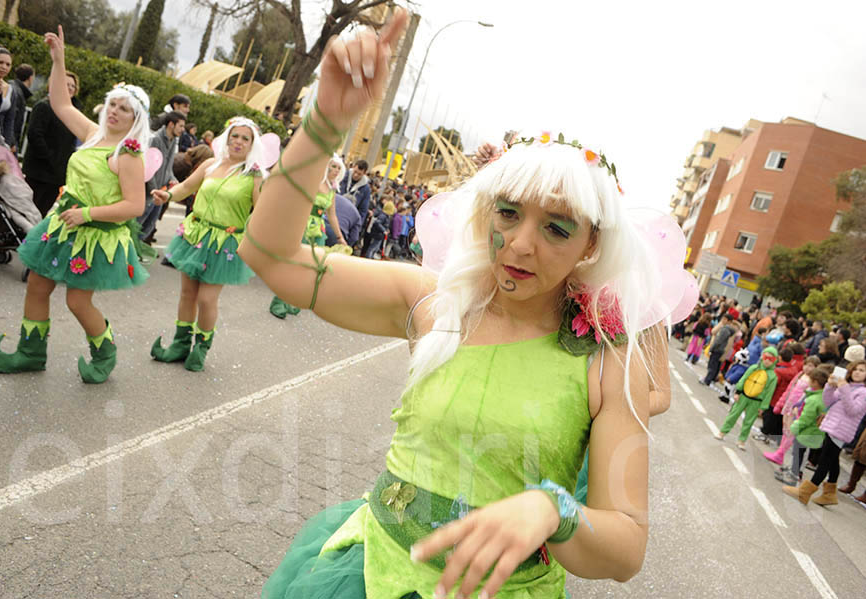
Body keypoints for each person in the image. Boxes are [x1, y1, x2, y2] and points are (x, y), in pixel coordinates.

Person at [238, 9, 680, 597]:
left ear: (590, 244)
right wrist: (325, 122)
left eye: (556, 228)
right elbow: (271, 255)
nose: (521, 244)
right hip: (368, 574)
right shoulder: (433, 304)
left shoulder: (606, 359)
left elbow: (625, 547)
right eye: (509, 212)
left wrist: (554, 511)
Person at [0, 26, 150, 384]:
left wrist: (87, 213)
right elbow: (60, 103)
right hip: (63, 224)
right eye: (114, 105)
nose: (116, 112)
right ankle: (31, 354)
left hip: (93, 234)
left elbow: (135, 205)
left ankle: (105, 351)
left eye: (125, 109)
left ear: (136, 119)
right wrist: (59, 60)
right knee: (37, 286)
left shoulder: (129, 154)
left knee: (77, 302)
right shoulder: (93, 134)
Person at [150, 117, 264, 371]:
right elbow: (187, 187)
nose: (239, 142)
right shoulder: (211, 164)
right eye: (235, 135)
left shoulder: (254, 175)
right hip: (195, 235)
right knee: (187, 294)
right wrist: (167, 195)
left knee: (206, 298)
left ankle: (201, 347)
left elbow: (262, 210)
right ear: (227, 137)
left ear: (252, 144)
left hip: (224, 242)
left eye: (246, 138)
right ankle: (180, 345)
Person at [270, 155, 347, 319]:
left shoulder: (332, 190)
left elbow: (332, 215)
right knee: (294, 264)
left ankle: (292, 300)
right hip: (302, 225)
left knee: (309, 268)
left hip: (318, 231)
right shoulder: (315, 182)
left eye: (338, 168)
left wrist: (340, 237)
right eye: (332, 166)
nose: (335, 170)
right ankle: (278, 301)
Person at [783, 360, 866, 505]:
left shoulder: (862, 392)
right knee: (832, 461)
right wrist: (829, 386)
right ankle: (829, 494)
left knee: (825, 461)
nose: (858, 372)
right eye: (856, 369)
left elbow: (852, 410)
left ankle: (805, 492)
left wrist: (844, 389)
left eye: (862, 370)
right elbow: (828, 401)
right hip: (831, 425)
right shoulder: (847, 386)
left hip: (841, 430)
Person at [22, 70, 81, 216]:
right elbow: (35, 135)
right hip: (39, 172)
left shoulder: (74, 113)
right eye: (65, 84)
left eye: (72, 86)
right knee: (27, 211)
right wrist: (49, 158)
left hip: (56, 176)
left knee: (41, 212)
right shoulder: (44, 106)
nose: (69, 88)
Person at [714, 346, 779, 450]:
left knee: (748, 422)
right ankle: (722, 432)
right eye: (766, 357)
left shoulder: (773, 376)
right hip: (744, 396)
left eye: (771, 359)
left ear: (775, 361)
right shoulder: (753, 368)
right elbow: (743, 380)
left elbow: (769, 393)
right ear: (762, 357)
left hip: (756, 401)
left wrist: (763, 407)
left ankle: (741, 440)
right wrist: (738, 392)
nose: (767, 361)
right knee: (733, 415)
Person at [766, 355, 821, 476]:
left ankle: (780, 453)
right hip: (789, 406)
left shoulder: (813, 381)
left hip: (798, 409)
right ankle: (780, 452)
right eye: (806, 364)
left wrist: (800, 408)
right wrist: (781, 403)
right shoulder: (800, 374)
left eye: (811, 366)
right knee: (785, 429)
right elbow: (789, 390)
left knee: (791, 432)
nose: (807, 368)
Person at [138, 111, 184, 243]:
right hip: (150, 194)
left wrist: (173, 180)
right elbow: (148, 168)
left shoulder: (173, 141)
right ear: (171, 124)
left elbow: (168, 168)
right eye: (180, 126)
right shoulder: (155, 139)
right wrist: (154, 191)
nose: (182, 130)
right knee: (136, 227)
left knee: (148, 228)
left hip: (161, 193)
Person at [781, 366, 830, 487]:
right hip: (813, 431)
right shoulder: (822, 397)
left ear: (815, 382)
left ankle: (794, 475)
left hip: (807, 430)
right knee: (802, 453)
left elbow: (806, 418)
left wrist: (794, 428)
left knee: (798, 452)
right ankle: (794, 472)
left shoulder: (814, 399)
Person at [338, 158, 371, 231]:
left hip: (348, 221)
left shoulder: (366, 189)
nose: (356, 175)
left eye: (359, 174)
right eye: (355, 172)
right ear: (353, 167)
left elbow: (363, 210)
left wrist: (357, 228)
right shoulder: (342, 176)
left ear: (364, 173)